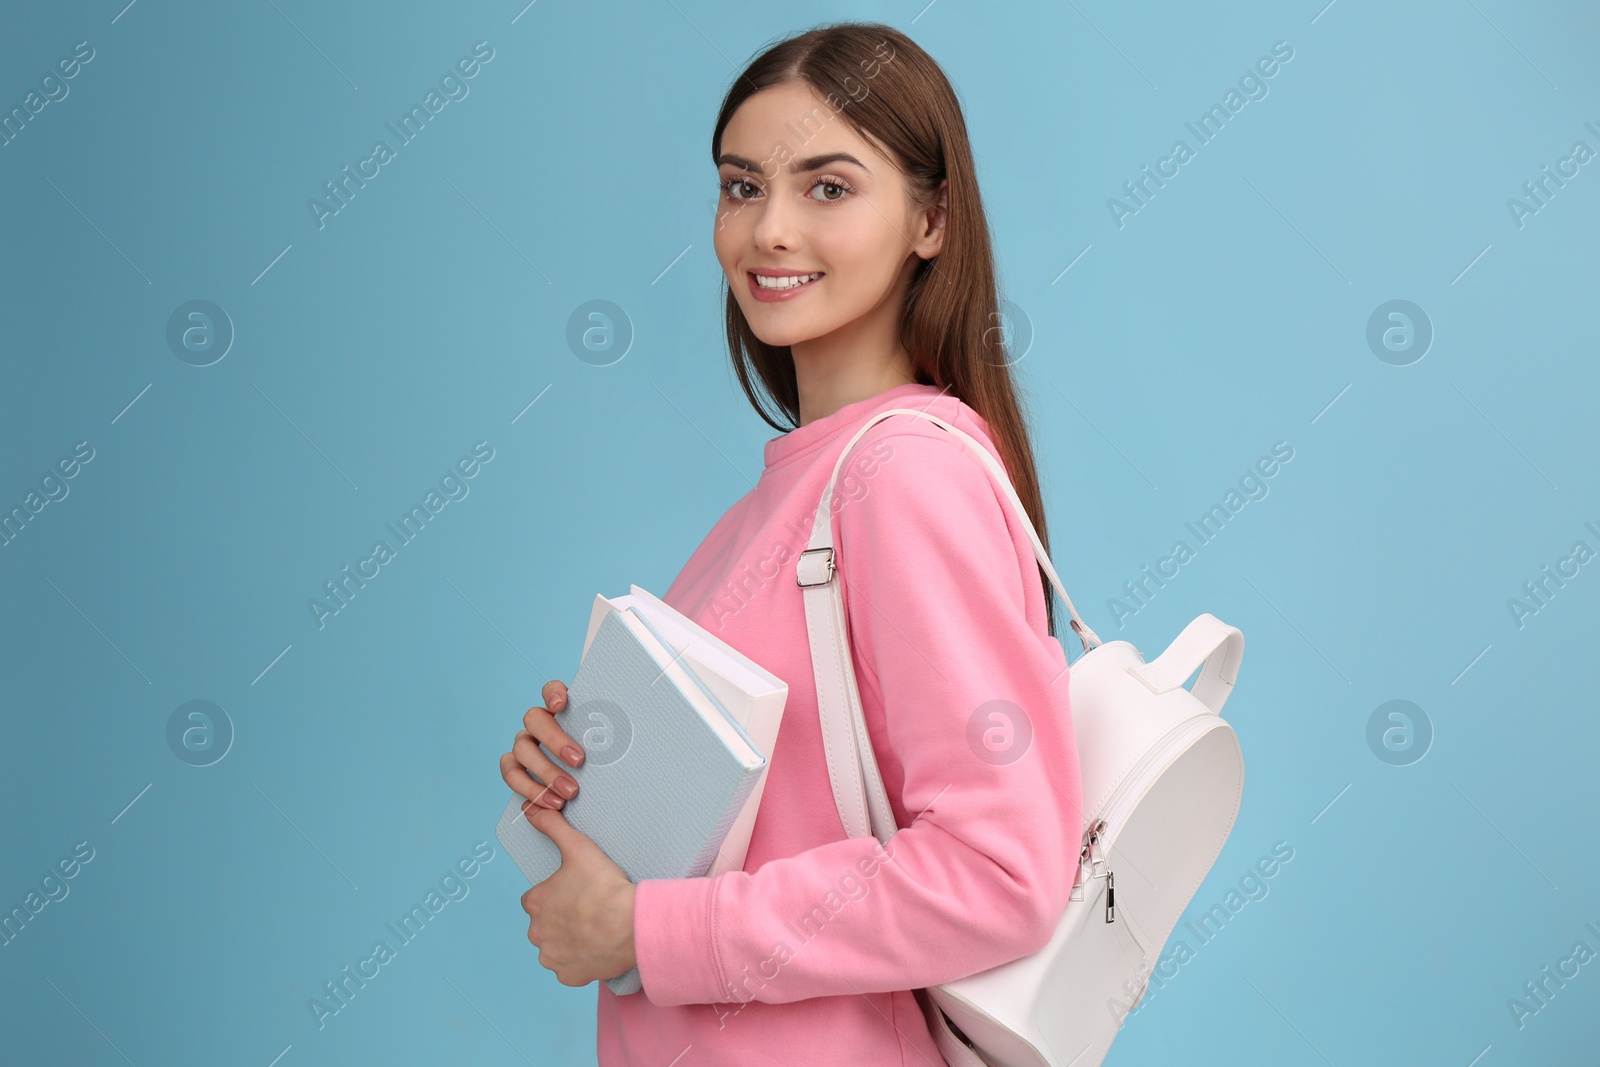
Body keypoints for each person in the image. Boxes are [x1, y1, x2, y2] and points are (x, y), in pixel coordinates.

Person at [498, 21, 1083, 1066]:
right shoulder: (791, 494)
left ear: (931, 221)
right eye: (739, 186)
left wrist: (645, 930)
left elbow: (1000, 870)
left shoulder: (902, 477)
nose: (767, 230)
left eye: (827, 187)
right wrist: (590, 780)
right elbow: (768, 821)